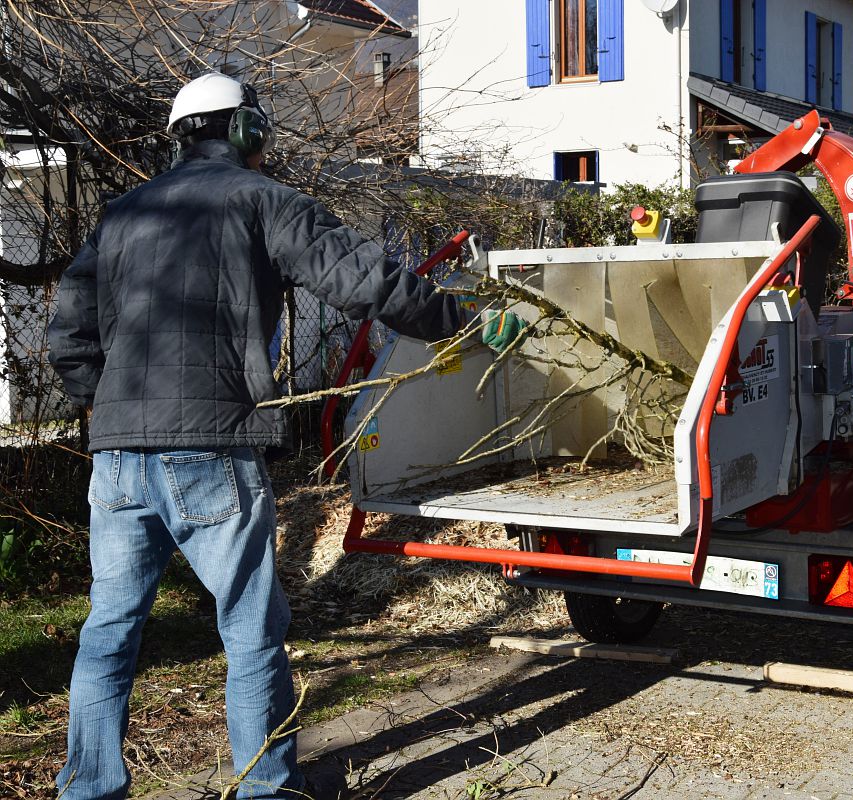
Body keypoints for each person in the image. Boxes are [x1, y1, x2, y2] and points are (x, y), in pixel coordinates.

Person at [48, 72, 523, 800]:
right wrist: (457, 322)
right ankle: (267, 789)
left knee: (108, 631)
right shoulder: (261, 201)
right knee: (249, 632)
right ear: (245, 131)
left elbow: (69, 339)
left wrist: (108, 406)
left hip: (116, 458)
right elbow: (362, 277)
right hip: (211, 450)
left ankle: (88, 790)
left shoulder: (120, 215)